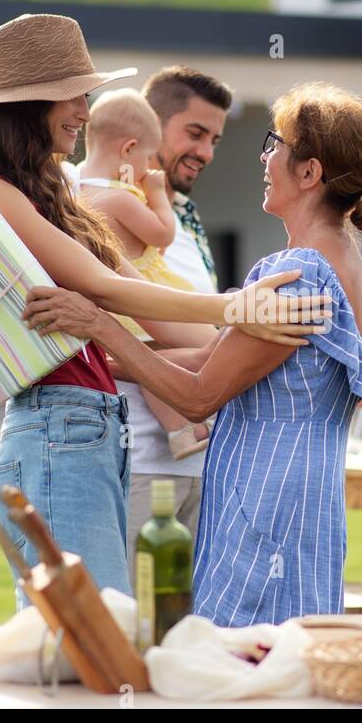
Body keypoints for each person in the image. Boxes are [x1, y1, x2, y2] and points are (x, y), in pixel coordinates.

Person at [0, 14, 326, 608]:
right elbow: (107, 287)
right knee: (89, 634)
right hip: (54, 429)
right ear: (31, 104)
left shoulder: (61, 201)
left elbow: (161, 321)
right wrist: (234, 307)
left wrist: (251, 336)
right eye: (73, 95)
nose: (85, 109)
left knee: (107, 630)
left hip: (94, 431)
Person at [22, 82, 362, 625]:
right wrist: (89, 363)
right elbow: (207, 362)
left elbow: (199, 396)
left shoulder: (298, 271)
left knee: (244, 663)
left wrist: (98, 323)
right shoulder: (348, 263)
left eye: (276, 144)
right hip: (306, 497)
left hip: (264, 501)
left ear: (310, 172)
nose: (264, 157)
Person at [118, 67, 234, 583]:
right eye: (194, 133)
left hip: (200, 464)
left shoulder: (180, 217)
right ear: (146, 127)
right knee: (131, 621)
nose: (207, 152)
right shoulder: (99, 198)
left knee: (187, 626)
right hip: (137, 460)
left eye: (214, 139)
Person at [78, 88, 212, 460]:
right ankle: (189, 424)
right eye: (146, 159)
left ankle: (181, 432)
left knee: (147, 363)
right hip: (147, 294)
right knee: (183, 354)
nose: (148, 168)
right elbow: (162, 234)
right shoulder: (121, 198)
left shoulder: (78, 195)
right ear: (128, 150)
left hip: (118, 305)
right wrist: (156, 193)